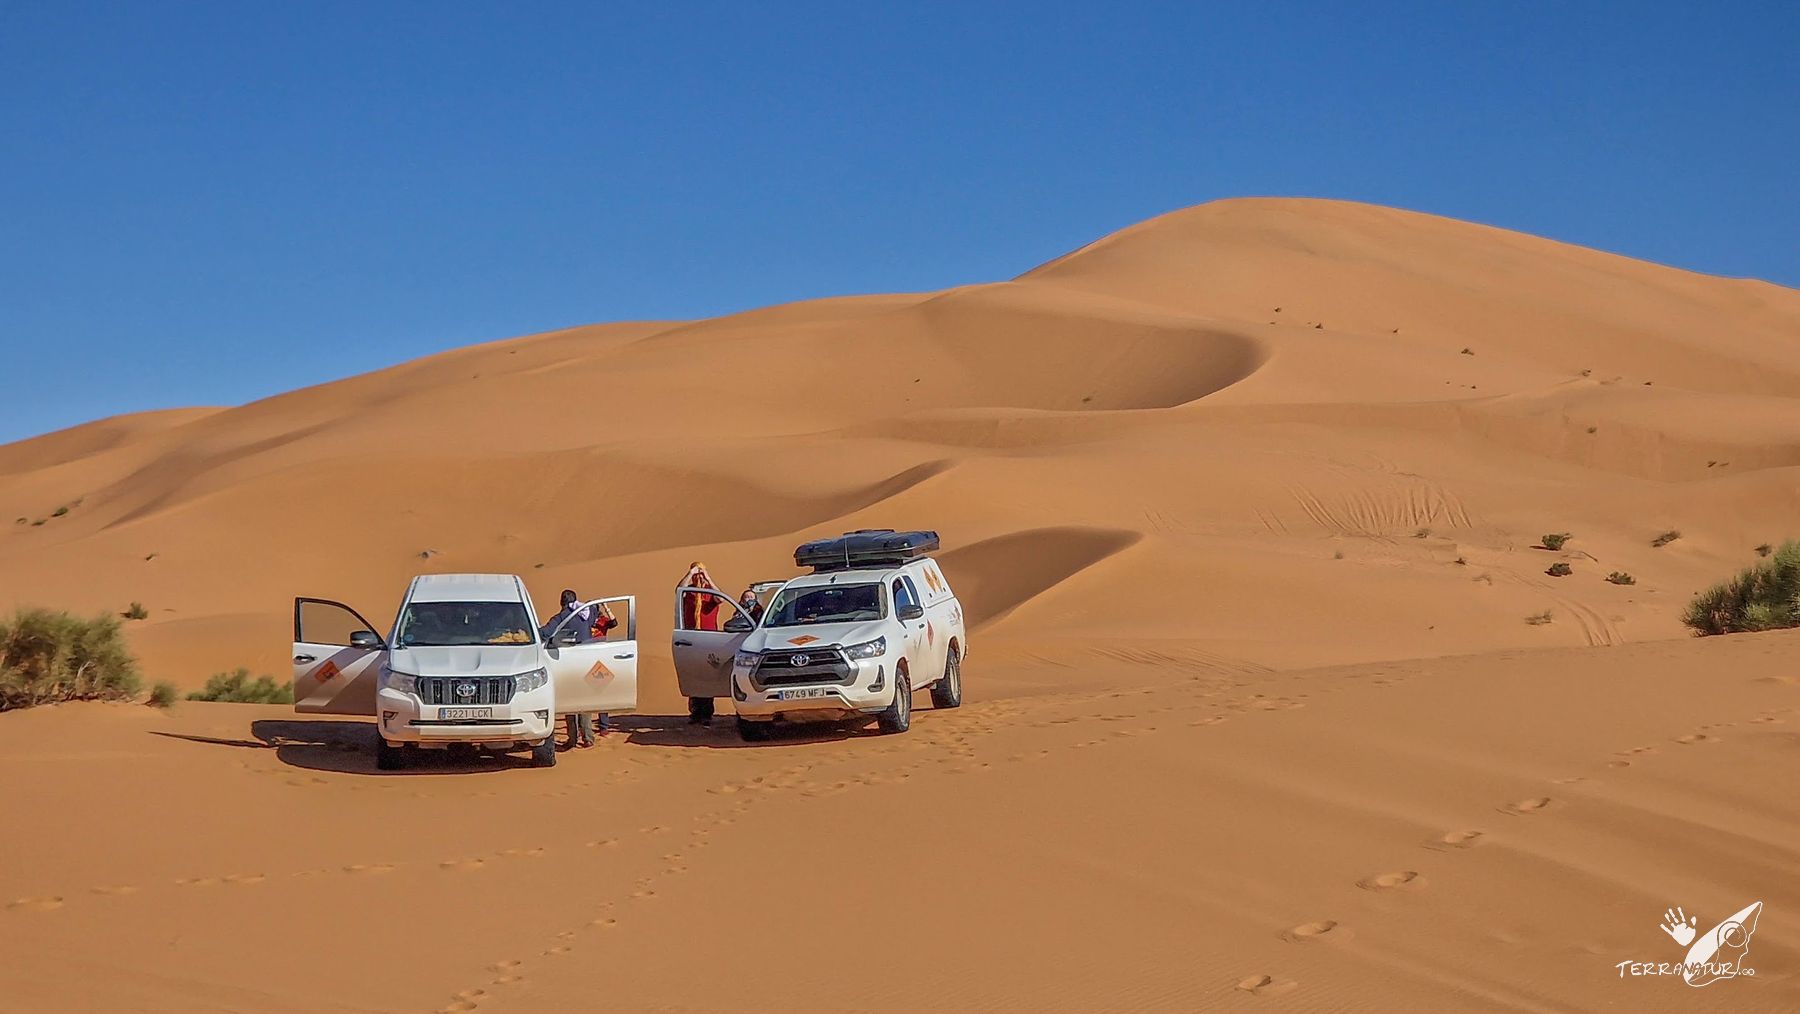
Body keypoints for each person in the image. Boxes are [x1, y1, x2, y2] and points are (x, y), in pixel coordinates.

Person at [538, 589, 612, 748]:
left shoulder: (562, 617)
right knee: (585, 700)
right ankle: (588, 737)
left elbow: (546, 632)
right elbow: (600, 614)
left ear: (562, 602)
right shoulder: (587, 612)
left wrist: (530, 631)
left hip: (570, 663)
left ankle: (572, 739)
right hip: (588, 660)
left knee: (570, 701)